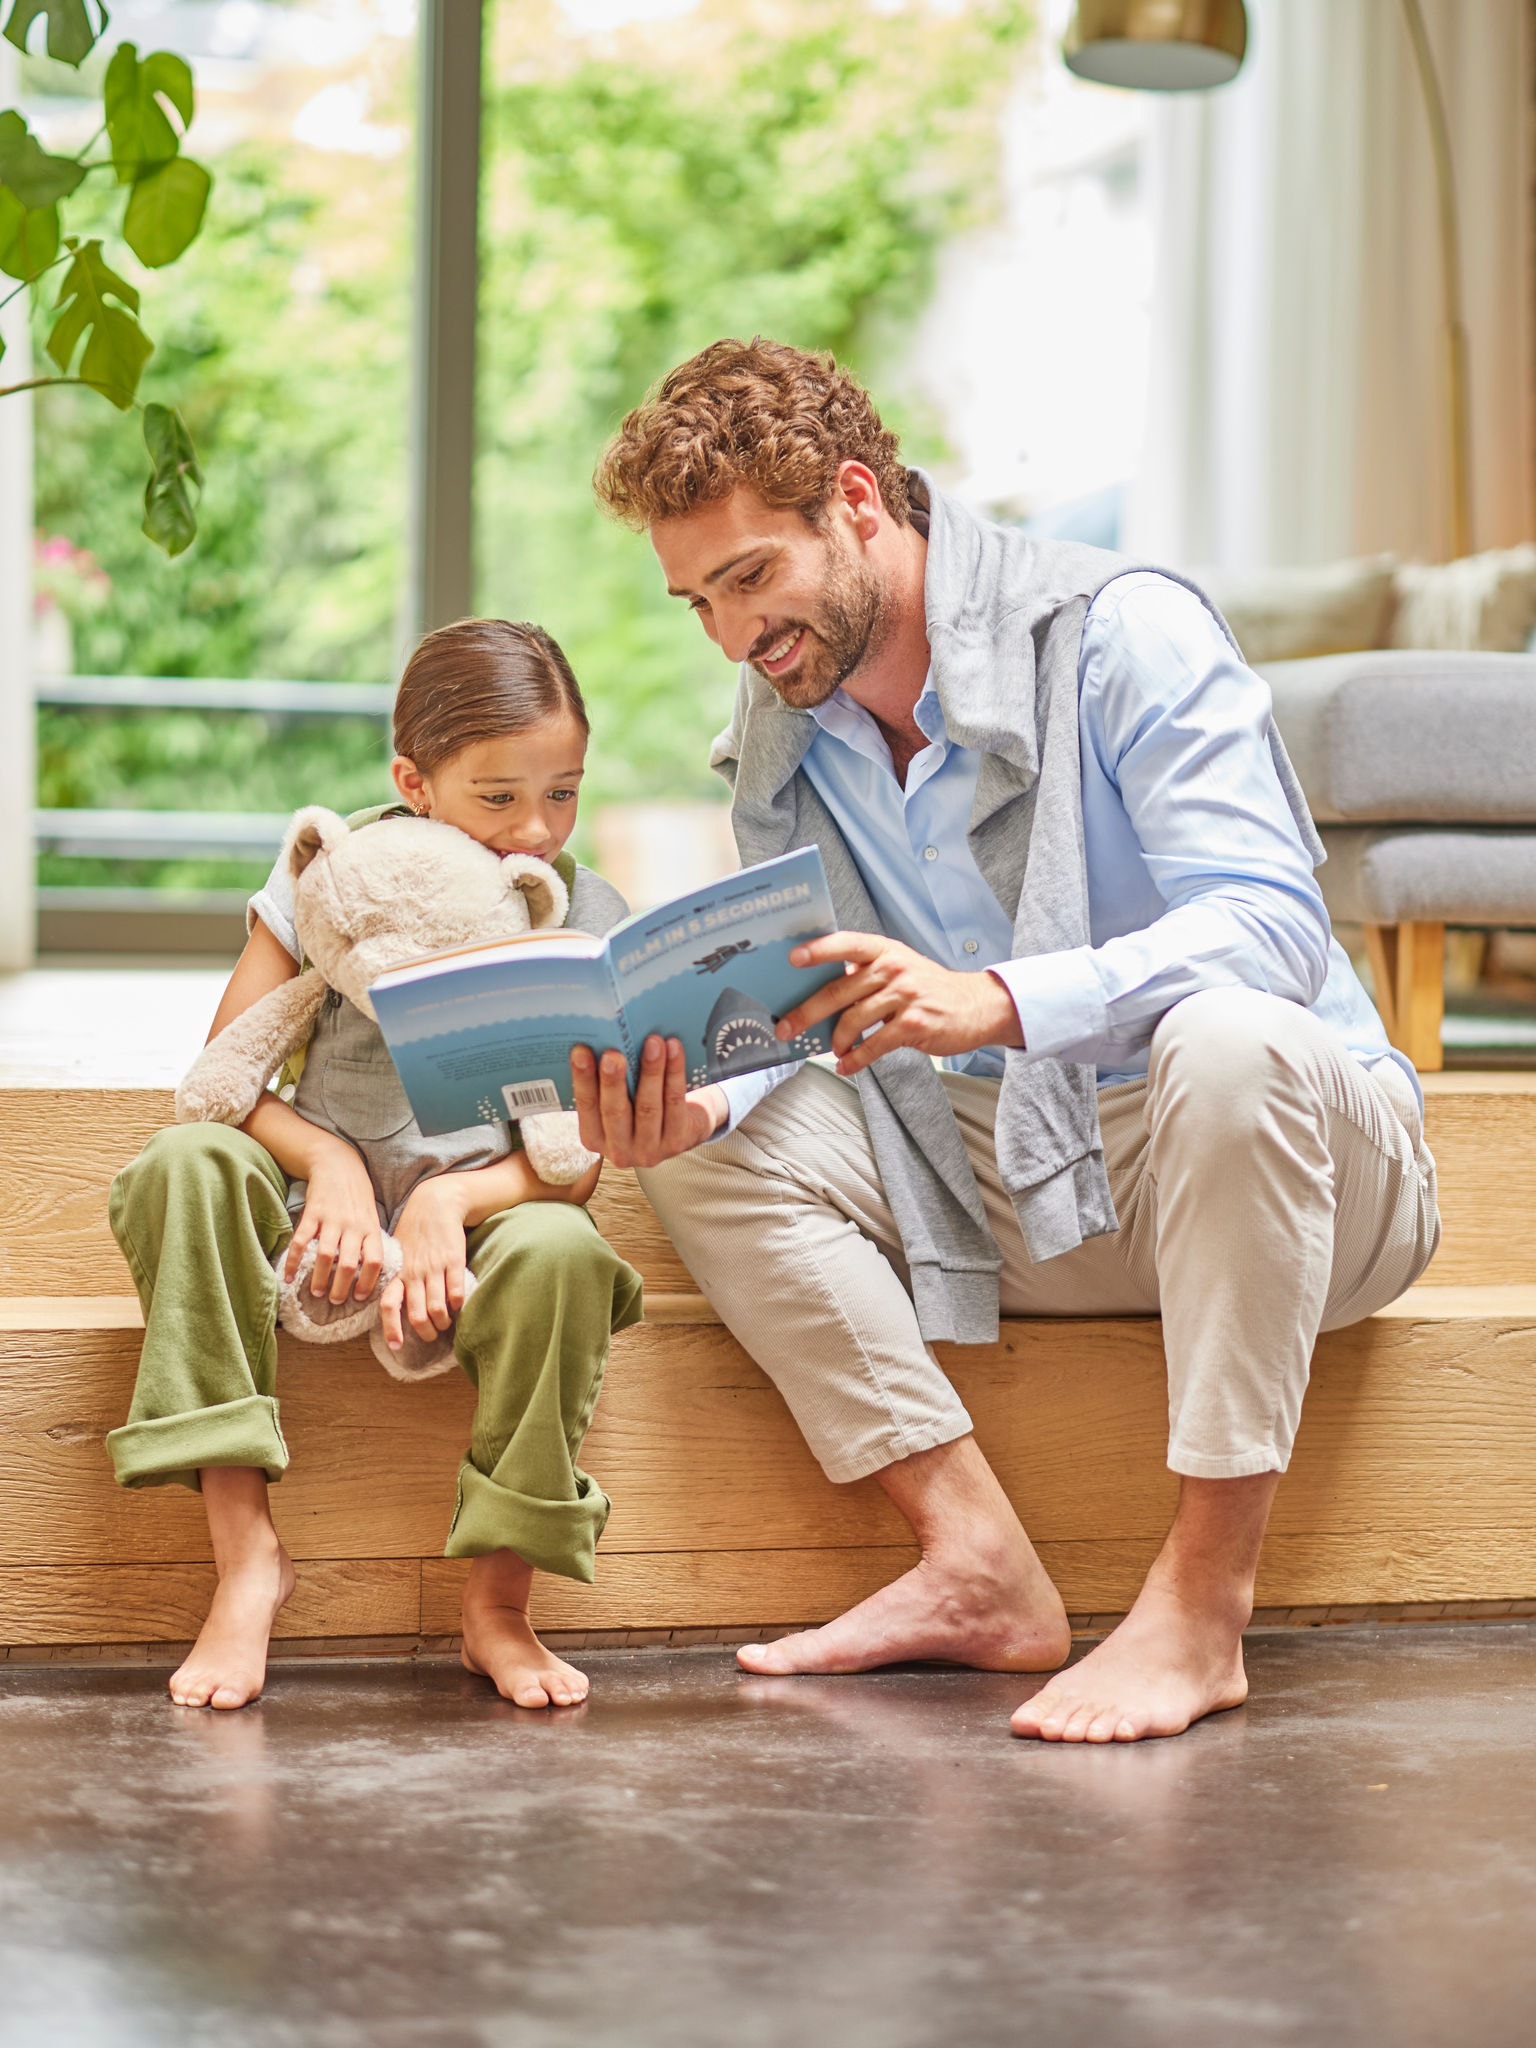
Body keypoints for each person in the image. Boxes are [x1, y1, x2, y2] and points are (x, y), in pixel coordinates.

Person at [573, 337, 1441, 1743]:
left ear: (858, 501)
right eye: (698, 602)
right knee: (708, 1142)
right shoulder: (791, 711)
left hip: (1282, 1164)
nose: (733, 637)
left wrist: (1012, 999)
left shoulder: (1119, 629)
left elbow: (1277, 927)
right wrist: (698, 1105)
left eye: (749, 581)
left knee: (1229, 1037)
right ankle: (976, 1561)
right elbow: (821, 1012)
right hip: (1013, 1174)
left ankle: (1205, 1605)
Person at [107, 621, 642, 1712]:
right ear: (414, 779)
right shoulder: (334, 870)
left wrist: (453, 1196)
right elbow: (228, 1070)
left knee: (567, 1250)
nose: (534, 829)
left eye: (565, 793)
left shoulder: (574, 908)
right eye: (498, 798)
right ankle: (246, 1551)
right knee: (183, 1163)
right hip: (317, 1196)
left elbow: (577, 1163)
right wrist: (333, 1164)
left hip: (480, 1214)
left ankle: (499, 1598)